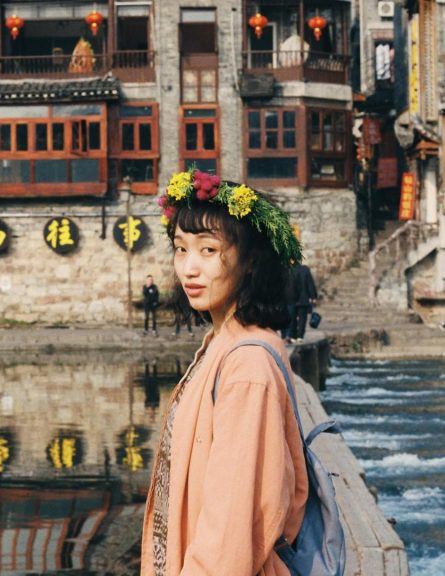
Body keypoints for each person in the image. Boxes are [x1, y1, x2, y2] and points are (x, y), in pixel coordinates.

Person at [141, 171, 309, 575]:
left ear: (250, 261)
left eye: (209, 250)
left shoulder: (247, 365)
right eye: (181, 250)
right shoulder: (223, 343)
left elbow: (229, 525)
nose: (189, 268)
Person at [289, 262, 318, 343]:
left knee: (292, 318)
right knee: (302, 318)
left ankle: (293, 336)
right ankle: (300, 336)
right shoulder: (305, 270)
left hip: (292, 298)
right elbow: (310, 284)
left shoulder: (290, 270)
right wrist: (313, 297)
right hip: (304, 299)